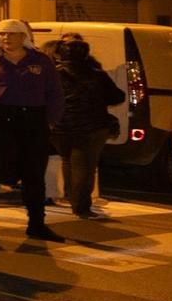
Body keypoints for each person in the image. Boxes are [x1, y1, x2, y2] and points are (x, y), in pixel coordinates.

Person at [0, 19, 65, 241]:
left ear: (24, 36)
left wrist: (50, 121)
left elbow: (55, 93)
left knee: (33, 173)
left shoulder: (41, 61)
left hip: (32, 120)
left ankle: (36, 223)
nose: (5, 38)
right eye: (2, 34)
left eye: (11, 34)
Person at [51, 38, 125, 220]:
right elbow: (117, 97)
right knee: (85, 166)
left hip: (60, 126)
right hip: (91, 126)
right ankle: (81, 206)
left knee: (68, 162)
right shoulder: (96, 75)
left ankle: (72, 198)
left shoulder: (53, 74)